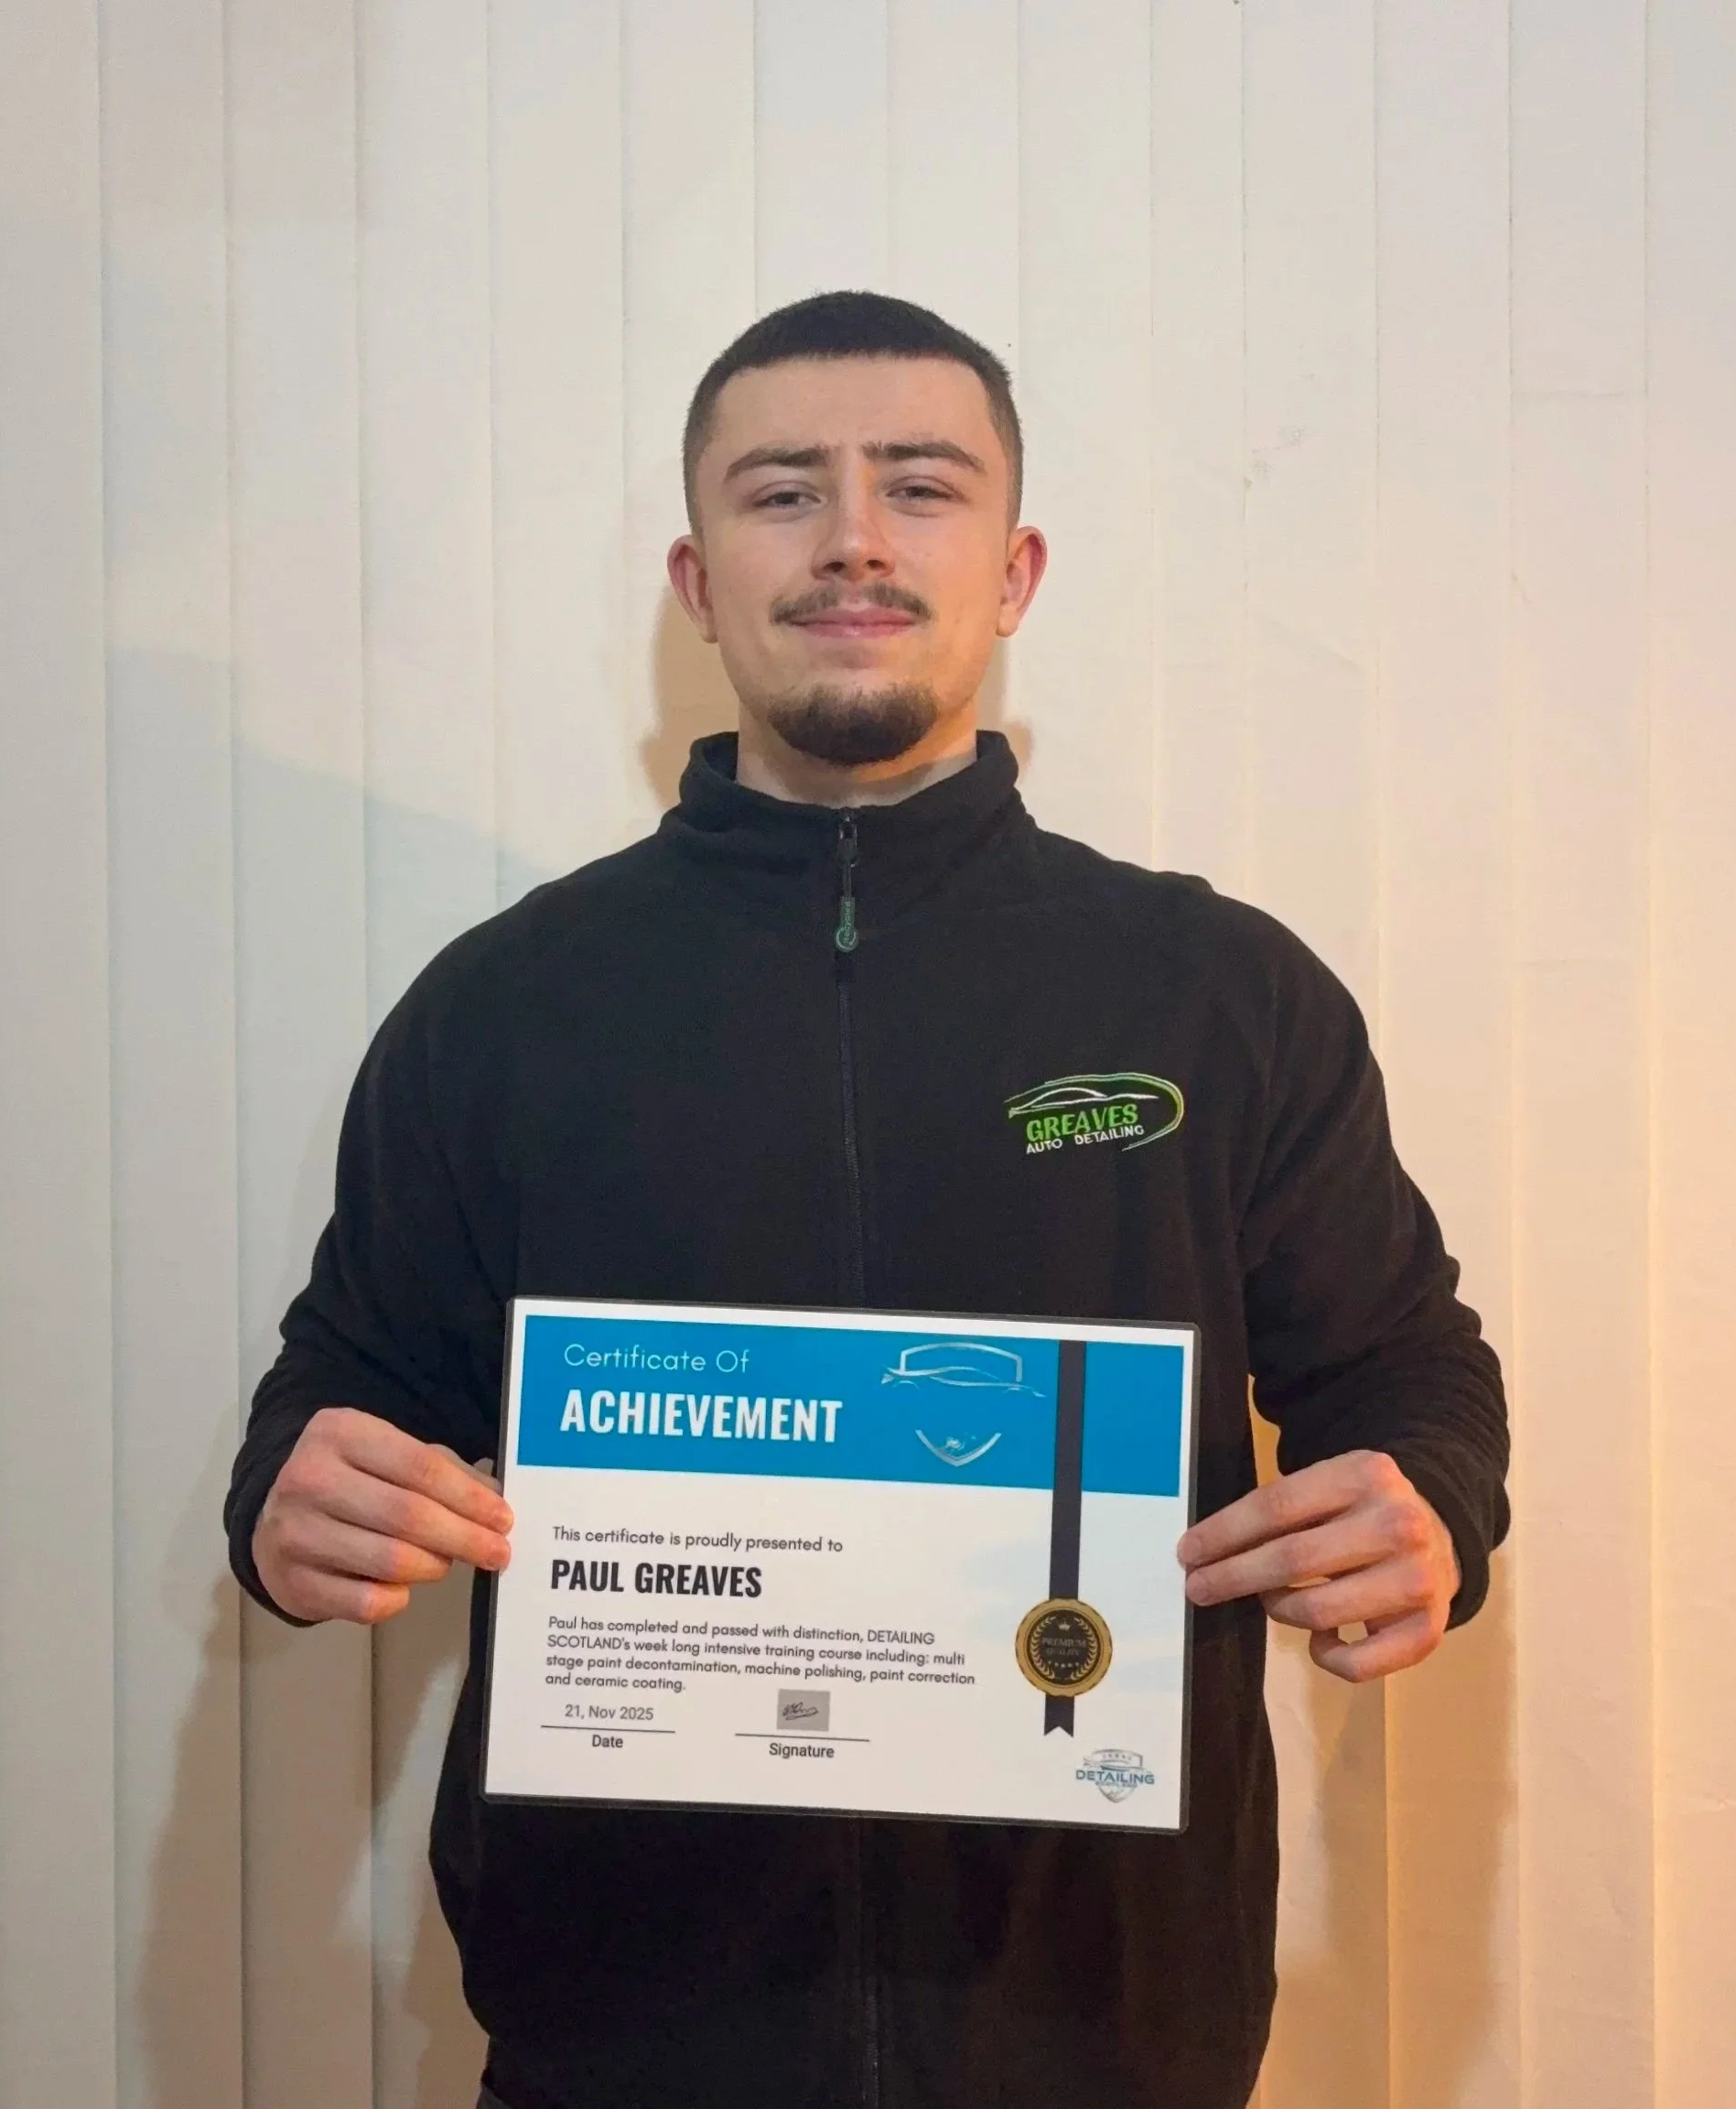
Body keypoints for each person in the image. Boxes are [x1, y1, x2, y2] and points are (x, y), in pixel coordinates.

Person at [225, 289, 1509, 2109]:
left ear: (1016, 565)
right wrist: (296, 1504)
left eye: (920, 485)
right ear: (694, 578)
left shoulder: (1214, 992)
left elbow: (1402, 1362)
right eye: (780, 493)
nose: (851, 538)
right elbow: (344, 1386)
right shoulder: (508, 1006)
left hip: (1112, 2033)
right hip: (624, 2041)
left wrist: (1429, 1502)